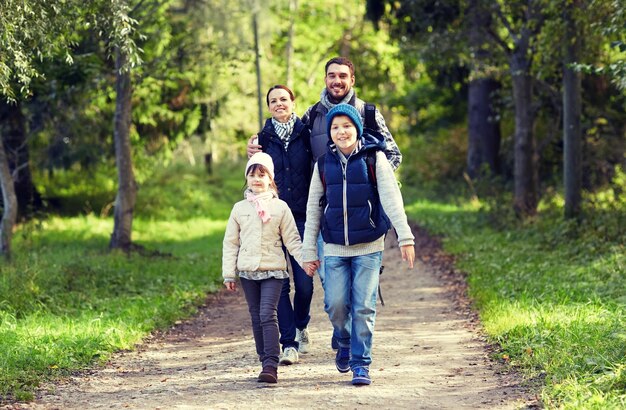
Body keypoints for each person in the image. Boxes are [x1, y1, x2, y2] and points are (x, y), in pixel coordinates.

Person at [247, 57, 403, 350]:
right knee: (331, 283)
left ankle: (356, 347)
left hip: (362, 214)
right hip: (321, 212)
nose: (337, 81)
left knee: (360, 281)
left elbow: (394, 155)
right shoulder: (312, 116)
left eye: (343, 76)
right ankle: (339, 328)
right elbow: (289, 144)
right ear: (325, 79)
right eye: (332, 76)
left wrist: (368, 182)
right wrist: (254, 152)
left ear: (352, 80)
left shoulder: (368, 113)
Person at [301, 104, 415, 386]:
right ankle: (343, 339)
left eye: (347, 126)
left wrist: (405, 237)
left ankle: (361, 364)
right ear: (330, 132)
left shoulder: (374, 158)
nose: (341, 132)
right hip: (334, 246)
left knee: (363, 306)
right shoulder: (323, 164)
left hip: (369, 245)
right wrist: (308, 251)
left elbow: (391, 199)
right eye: (335, 127)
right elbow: (313, 209)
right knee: (336, 305)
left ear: (357, 128)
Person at [222, 152, 310, 384]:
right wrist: (228, 273)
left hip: (273, 270)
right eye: (252, 175)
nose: (257, 179)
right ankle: (264, 360)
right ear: (247, 179)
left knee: (267, 314)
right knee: (254, 316)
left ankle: (271, 364)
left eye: (262, 175)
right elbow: (231, 242)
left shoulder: (280, 207)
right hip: (248, 272)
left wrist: (305, 262)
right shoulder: (239, 209)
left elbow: (292, 240)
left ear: (271, 179)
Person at [254, 85, 317, 365]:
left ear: (293, 102)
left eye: (283, 99)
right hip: (273, 218)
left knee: (304, 283)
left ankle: (302, 324)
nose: (279, 104)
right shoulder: (262, 139)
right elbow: (255, 175)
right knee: (279, 284)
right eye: (273, 101)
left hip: (303, 217)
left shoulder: (307, 133)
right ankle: (288, 342)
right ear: (268, 107)